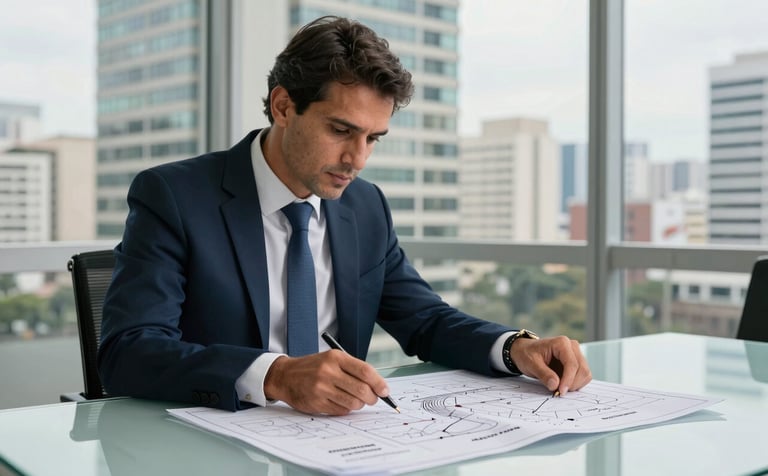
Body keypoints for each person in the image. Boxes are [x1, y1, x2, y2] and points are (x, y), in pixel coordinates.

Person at [98, 15, 592, 415]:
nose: (358, 159)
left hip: (338, 446)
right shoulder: (174, 195)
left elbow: (425, 320)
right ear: (284, 106)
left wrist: (513, 348)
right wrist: (277, 375)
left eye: (373, 138)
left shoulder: (365, 206)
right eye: (341, 130)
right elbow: (129, 351)